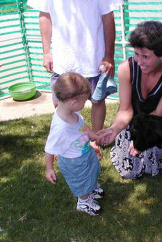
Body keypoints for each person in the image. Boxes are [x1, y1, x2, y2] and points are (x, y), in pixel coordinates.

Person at [27, 0, 123, 160]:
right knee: (61, 103)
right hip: (63, 59)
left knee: (98, 101)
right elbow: (45, 15)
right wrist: (46, 52)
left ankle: (94, 141)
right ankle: (66, 140)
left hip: (94, 58)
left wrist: (108, 55)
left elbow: (108, 16)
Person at [97, 21, 162, 179]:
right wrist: (114, 129)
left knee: (148, 155)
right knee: (130, 172)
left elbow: (157, 114)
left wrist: (141, 141)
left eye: (145, 56)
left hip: (158, 119)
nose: (139, 61)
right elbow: (125, 110)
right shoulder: (126, 69)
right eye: (136, 54)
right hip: (135, 117)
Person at [44, 72, 104, 216]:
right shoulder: (60, 127)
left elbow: (82, 127)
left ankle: (91, 188)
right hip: (73, 161)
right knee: (81, 180)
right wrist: (49, 169)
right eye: (84, 101)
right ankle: (83, 202)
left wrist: (93, 135)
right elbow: (49, 149)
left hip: (84, 151)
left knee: (92, 170)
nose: (85, 103)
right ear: (73, 102)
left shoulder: (72, 113)